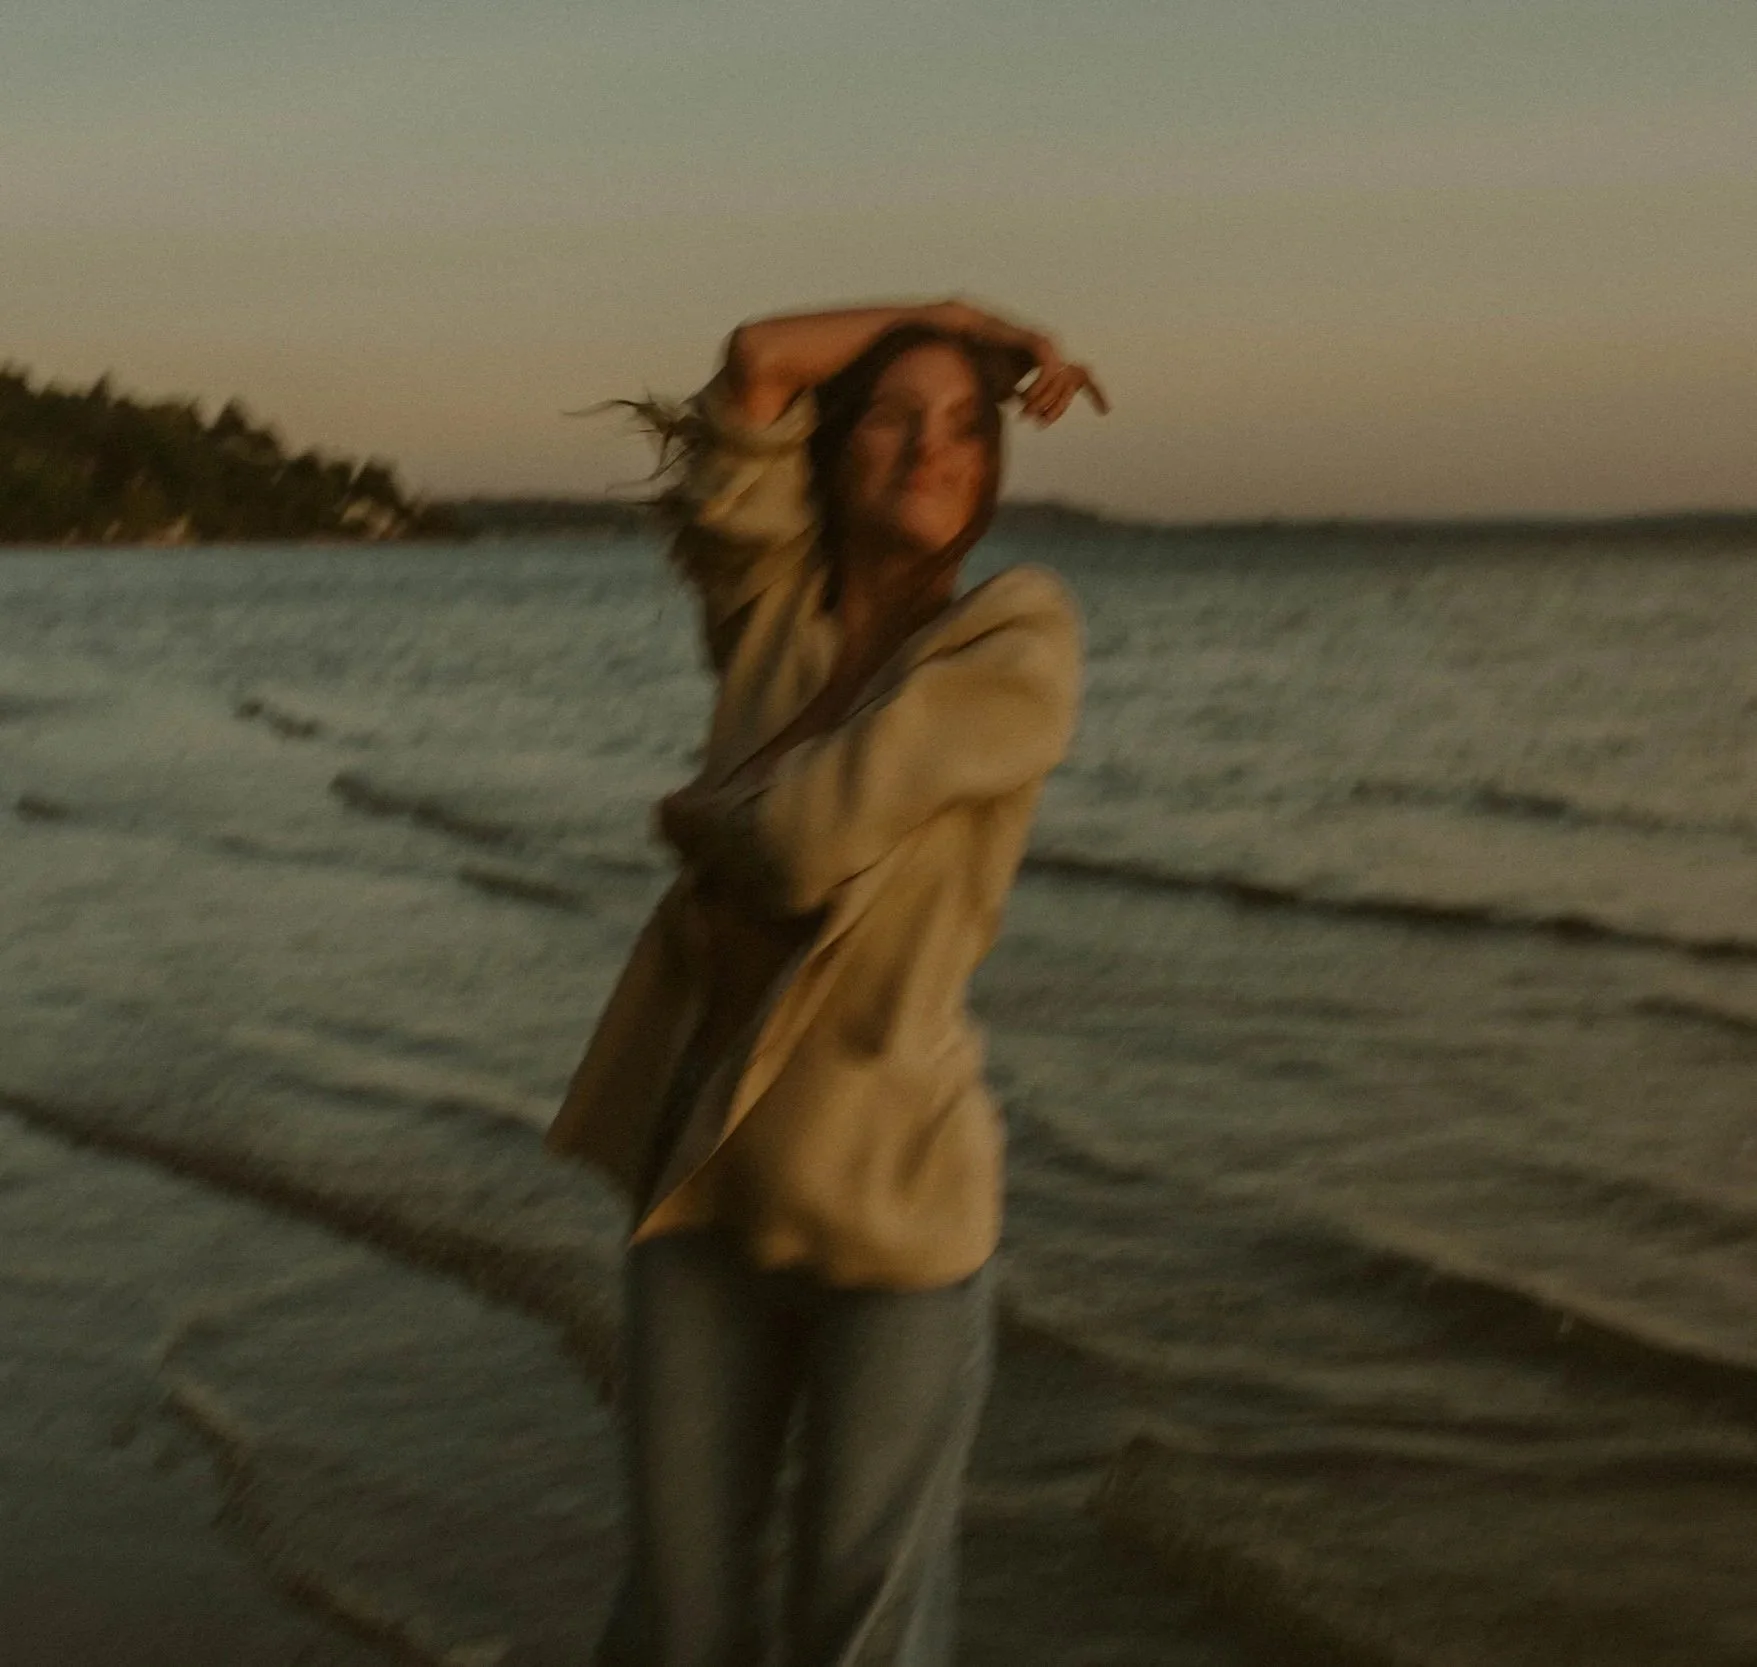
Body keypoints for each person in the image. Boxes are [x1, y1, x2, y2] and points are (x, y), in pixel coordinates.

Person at [544, 295, 1109, 1665]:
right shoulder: (769, 612)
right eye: (897, 418)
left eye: (969, 429)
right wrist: (961, 315)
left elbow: (803, 842)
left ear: (991, 475)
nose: (932, 448)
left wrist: (693, 818)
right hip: (705, 1186)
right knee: (680, 1625)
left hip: (899, 1217)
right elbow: (754, 359)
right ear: (840, 446)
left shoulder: (1017, 642)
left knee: (861, 1634)